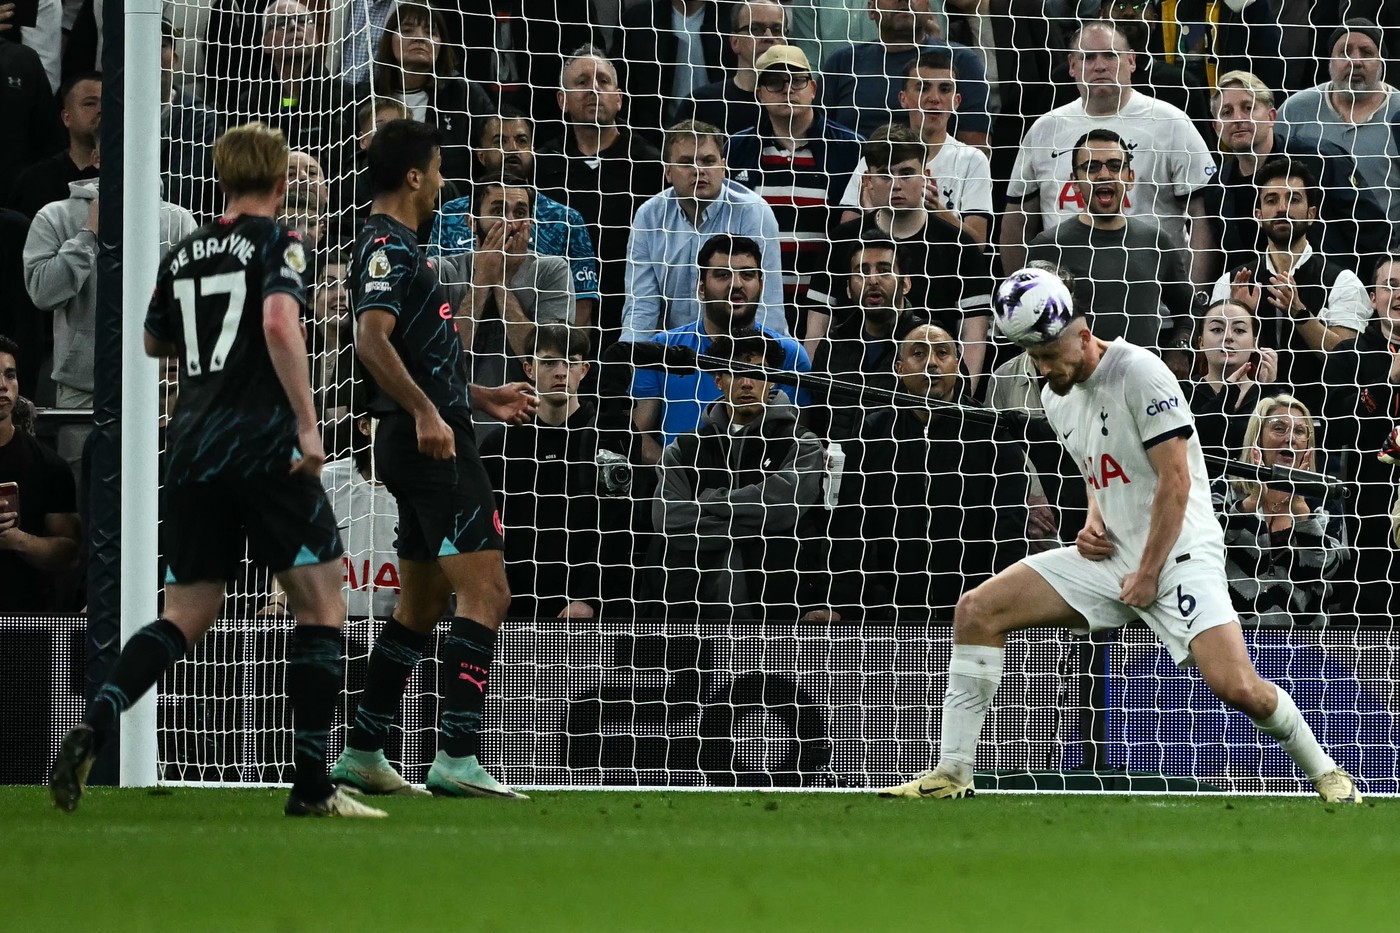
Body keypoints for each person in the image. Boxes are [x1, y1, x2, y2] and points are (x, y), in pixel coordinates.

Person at [877, 267, 1362, 804]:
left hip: (1178, 553)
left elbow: (1176, 482)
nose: (1042, 368)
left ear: (1082, 334)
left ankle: (1326, 773)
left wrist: (1149, 572)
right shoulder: (1057, 395)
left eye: (1048, 354)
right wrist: (1093, 520)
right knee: (977, 611)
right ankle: (952, 772)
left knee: (1237, 687)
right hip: (1113, 556)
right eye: (1033, 357)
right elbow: (1099, 471)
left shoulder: (1142, 373)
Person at [47, 122, 384, 818]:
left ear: (220, 179)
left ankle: (101, 714)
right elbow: (279, 324)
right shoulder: (284, 242)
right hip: (263, 442)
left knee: (186, 612)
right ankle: (314, 785)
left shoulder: (186, 248)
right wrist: (307, 422)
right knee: (321, 605)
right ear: (282, 182)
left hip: (193, 443)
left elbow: (150, 339)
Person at [331, 118, 537, 800]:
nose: (446, 182)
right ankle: (456, 752)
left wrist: (479, 394)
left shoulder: (404, 248)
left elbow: (426, 354)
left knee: (420, 604)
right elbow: (371, 338)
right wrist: (426, 411)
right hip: (427, 440)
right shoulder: (386, 246)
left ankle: (363, 746)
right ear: (415, 175)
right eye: (441, 169)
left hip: (426, 430)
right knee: (489, 593)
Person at [829, 322, 1028, 619]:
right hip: (889, 609)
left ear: (958, 364)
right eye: (919, 354)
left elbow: (1009, 528)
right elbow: (851, 525)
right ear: (899, 367)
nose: (932, 364)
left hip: (975, 605)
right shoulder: (872, 432)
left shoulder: (990, 431)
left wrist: (1000, 601)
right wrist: (845, 605)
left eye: (942, 353)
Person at [1001, 20, 1215, 283]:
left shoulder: (1171, 123)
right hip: (1065, 302)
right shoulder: (1045, 129)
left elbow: (1202, 217)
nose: (1100, 66)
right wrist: (1020, 293)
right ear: (1072, 66)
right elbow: (1016, 221)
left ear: (1132, 61)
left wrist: (1193, 298)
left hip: (1154, 300)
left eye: (1110, 56)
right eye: (1088, 58)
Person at [23, 162, 197, 479]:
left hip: (159, 389)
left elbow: (192, 305)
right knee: (83, 495)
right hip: (83, 389)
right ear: (97, 155)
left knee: (161, 493)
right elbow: (44, 295)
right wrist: (87, 235)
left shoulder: (177, 220)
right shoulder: (55, 216)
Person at [652, 328, 825, 620]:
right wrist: (763, 527)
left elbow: (785, 507)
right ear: (718, 380)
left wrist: (710, 502)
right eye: (735, 372)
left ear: (773, 379)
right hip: (691, 612)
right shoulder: (683, 448)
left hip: (778, 610)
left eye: (756, 372)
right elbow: (668, 519)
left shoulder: (802, 443)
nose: (746, 382)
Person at [817, 125, 994, 388]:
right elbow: (817, 330)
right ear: (867, 181)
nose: (897, 185)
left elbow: (974, 335)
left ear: (925, 177)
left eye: (906, 174)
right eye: (886, 176)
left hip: (933, 390)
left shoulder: (959, 245)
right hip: (851, 387)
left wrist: (963, 395)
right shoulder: (842, 241)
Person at [481, 324, 630, 620]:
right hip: (515, 605)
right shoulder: (500, 445)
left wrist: (589, 597)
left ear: (585, 369)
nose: (561, 371)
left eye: (571, 362)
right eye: (549, 362)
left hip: (592, 609)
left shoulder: (611, 435)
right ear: (529, 368)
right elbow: (486, 529)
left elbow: (620, 526)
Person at [1208, 157, 1373, 417]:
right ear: (1258, 215)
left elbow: (1348, 363)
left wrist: (1299, 312)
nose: (1282, 208)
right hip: (1244, 420)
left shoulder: (1343, 281)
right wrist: (1243, 318)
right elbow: (1212, 367)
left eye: (1293, 199)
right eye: (1271, 200)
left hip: (1321, 425)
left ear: (1311, 214)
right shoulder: (1229, 283)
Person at [631, 233, 809, 461]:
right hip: (678, 489)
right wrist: (683, 476)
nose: (736, 284)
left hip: (761, 490)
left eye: (747, 274)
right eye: (723, 275)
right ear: (701, 287)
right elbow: (639, 437)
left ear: (762, 285)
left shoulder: (790, 355)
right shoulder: (660, 350)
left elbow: (798, 442)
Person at [536, 46, 665, 354]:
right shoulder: (543, 164)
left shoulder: (650, 165)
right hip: (557, 313)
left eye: (604, 81)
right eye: (581, 82)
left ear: (619, 98)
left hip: (631, 310)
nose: (594, 89)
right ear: (561, 100)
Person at [726, 45, 863, 332]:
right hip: (755, 310)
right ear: (759, 93)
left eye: (797, 80)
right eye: (775, 82)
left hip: (828, 311)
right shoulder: (737, 149)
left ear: (812, 88)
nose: (787, 89)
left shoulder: (850, 148)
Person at [1026, 128, 1193, 362]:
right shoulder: (1049, 246)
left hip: (1141, 385)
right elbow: (1030, 322)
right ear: (1074, 182)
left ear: (1130, 177)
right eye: (1092, 168)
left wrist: (1180, 347)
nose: (1104, 175)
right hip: (1076, 388)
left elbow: (1190, 310)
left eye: (1115, 166)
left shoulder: (1156, 242)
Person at [1209, 69, 1391, 280]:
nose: (1238, 119)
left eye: (1248, 108)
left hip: (1334, 295)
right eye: (1226, 112)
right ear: (1216, 128)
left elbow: (1373, 232)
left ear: (1271, 117)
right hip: (1259, 304)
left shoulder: (1321, 159)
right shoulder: (1217, 188)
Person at [620, 120, 787, 343]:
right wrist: (632, 363)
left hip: (741, 349)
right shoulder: (649, 216)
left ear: (723, 166)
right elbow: (641, 305)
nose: (699, 170)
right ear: (668, 171)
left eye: (708, 161)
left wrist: (758, 364)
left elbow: (767, 306)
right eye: (686, 163)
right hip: (674, 352)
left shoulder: (753, 212)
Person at [429, 112, 599, 328]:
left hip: (538, 350)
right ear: (481, 155)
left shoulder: (566, 219)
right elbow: (431, 295)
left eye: (521, 141)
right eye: (500, 141)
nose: (512, 149)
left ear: (532, 151)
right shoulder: (451, 214)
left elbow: (581, 313)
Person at [1214, 394, 1347, 628]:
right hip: (1228, 634)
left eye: (1299, 432)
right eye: (1279, 428)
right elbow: (1205, 545)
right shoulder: (1225, 488)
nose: (1290, 439)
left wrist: (1302, 514)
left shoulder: (1325, 498)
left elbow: (1330, 570)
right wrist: (1249, 505)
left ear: (1308, 443)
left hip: (1304, 641)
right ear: (1257, 438)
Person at [837, 50, 993, 246]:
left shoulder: (972, 160)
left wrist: (938, 211)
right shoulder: (876, 159)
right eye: (923, 88)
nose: (934, 98)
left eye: (945, 89)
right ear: (903, 99)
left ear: (956, 101)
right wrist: (875, 213)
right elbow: (844, 241)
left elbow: (978, 244)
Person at [440, 171, 574, 400]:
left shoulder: (552, 271)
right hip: (457, 413)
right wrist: (482, 280)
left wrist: (501, 282)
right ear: (471, 222)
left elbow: (547, 366)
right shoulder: (443, 272)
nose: (510, 222)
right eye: (497, 211)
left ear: (530, 222)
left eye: (520, 212)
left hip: (530, 418)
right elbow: (442, 360)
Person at [1277, 19, 1400, 238]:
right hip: (1310, 251)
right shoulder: (1296, 110)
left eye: (1366, 52)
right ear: (1329, 62)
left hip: (1387, 254)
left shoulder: (1397, 111)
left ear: (1382, 62)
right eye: (1345, 52)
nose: (1356, 61)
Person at [351, 2, 495, 183]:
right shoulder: (363, 96)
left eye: (430, 32)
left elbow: (491, 155)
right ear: (389, 40)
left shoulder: (465, 94)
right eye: (408, 31)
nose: (420, 38)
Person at [820, 0, 990, 146]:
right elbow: (818, 137)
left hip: (935, 179)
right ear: (871, 9)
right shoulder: (842, 62)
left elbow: (975, 150)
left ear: (929, 6)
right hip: (852, 177)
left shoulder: (961, 60)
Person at [0, 333, 80, 613]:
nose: (2, 386)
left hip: (26, 617)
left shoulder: (47, 465)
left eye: (10, 375)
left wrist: (17, 540)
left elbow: (69, 551)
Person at [1185, 298, 1282, 472]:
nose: (1228, 337)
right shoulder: (1182, 391)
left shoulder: (1272, 394)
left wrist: (1269, 390)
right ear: (1201, 342)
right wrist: (1228, 394)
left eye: (1239, 330)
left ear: (1254, 343)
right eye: (1217, 329)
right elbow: (1193, 443)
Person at [613, 0, 725, 141]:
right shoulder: (636, 21)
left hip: (721, 137)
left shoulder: (733, 18)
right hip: (654, 142)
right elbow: (622, 91)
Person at [676, 0, 786, 137]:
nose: (769, 37)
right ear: (735, 42)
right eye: (756, 29)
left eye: (777, 30)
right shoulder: (700, 105)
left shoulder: (796, 103)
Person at [6, 71, 100, 219]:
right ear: (66, 117)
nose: (101, 110)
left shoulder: (127, 176)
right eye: (90, 103)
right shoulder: (36, 181)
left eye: (108, 103)